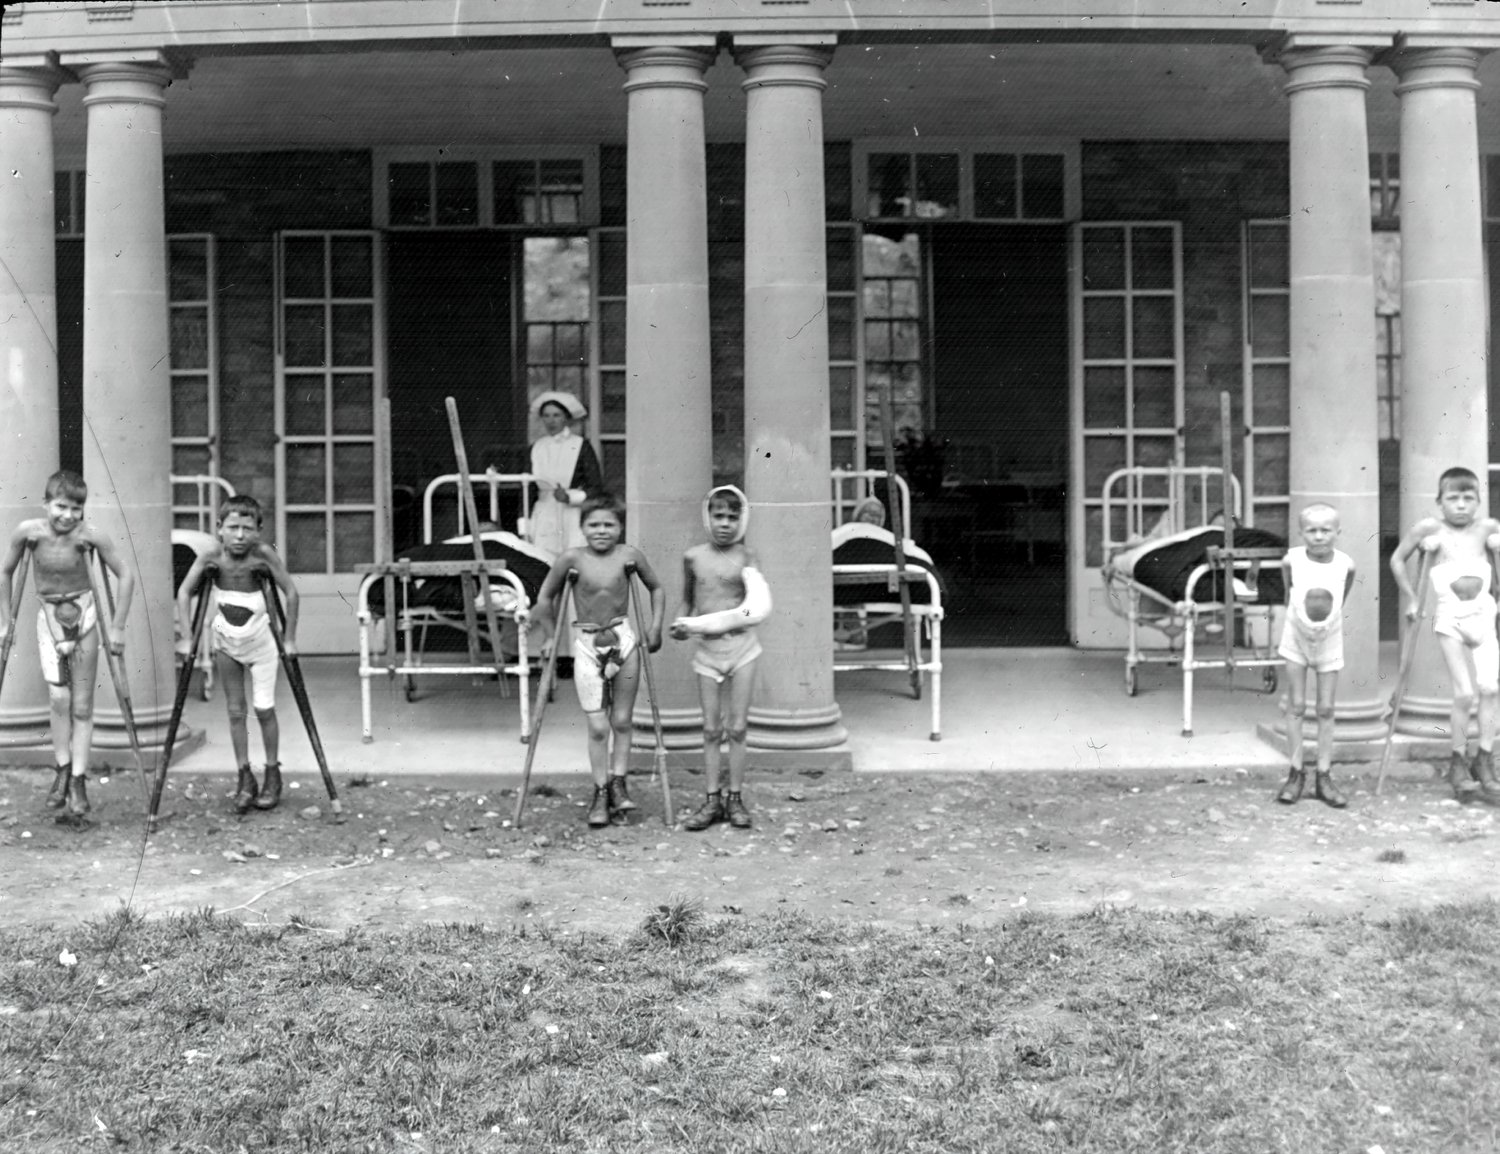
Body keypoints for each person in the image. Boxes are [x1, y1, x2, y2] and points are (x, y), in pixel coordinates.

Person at [0, 470, 135, 819]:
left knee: (83, 705)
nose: (68, 515)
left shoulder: (90, 535)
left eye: (76, 508)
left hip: (84, 615)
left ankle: (78, 779)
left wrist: (118, 626)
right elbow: (5, 571)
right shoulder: (28, 533)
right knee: (59, 698)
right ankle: (62, 767)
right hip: (49, 618)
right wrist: (5, 620)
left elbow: (125, 574)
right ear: (46, 503)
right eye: (61, 506)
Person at [532, 494, 664, 828]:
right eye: (594, 524)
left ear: (620, 527)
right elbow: (544, 598)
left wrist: (654, 627)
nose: (602, 530)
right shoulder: (571, 558)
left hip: (624, 641)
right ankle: (600, 790)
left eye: (609, 524)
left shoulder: (629, 555)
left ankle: (619, 783)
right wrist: (549, 635)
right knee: (597, 725)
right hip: (588, 644)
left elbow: (657, 588)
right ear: (582, 527)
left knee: (622, 720)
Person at [175, 495, 300, 814]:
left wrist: (289, 639)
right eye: (233, 528)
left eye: (247, 528)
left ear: (259, 530)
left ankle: (272, 773)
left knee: (264, 708)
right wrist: (187, 638)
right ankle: (245, 776)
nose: (240, 535)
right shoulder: (212, 556)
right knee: (234, 711)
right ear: (219, 528)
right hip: (227, 642)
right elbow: (184, 592)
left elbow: (291, 592)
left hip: (261, 644)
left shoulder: (263, 555)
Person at [1390, 466, 1500, 804]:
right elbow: (1397, 559)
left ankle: (1484, 758)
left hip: (1483, 618)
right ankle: (1458, 761)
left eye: (1468, 498)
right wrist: (1411, 597)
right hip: (1451, 621)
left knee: (1490, 688)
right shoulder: (1429, 528)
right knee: (1464, 693)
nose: (1461, 505)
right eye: (1453, 498)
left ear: (1479, 500)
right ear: (1439, 502)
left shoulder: (1488, 528)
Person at [671, 485, 772, 832]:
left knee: (738, 727)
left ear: (741, 520)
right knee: (711, 728)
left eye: (732, 517)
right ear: (707, 517)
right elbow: (688, 601)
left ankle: (735, 797)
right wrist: (682, 624)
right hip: (708, 651)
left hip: (742, 647)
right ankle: (712, 798)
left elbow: (757, 604)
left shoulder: (747, 556)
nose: (725, 524)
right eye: (718, 516)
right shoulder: (693, 557)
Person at [1274, 503, 1356, 808]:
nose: (1319, 536)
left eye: (1325, 530)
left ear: (1337, 532)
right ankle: (1296, 772)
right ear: (1300, 532)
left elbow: (1341, 595)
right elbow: (1289, 588)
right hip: (1296, 636)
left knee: (1326, 707)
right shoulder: (1292, 559)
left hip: (1328, 639)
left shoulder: (1345, 564)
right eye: (1311, 530)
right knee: (1296, 705)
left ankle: (1324, 774)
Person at [526, 391, 603, 558]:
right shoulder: (536, 447)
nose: (551, 421)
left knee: (573, 556)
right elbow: (528, 489)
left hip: (572, 513)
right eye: (546, 416)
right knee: (543, 556)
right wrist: (524, 524)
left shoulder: (581, 445)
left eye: (556, 415)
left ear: (566, 418)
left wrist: (570, 497)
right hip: (543, 513)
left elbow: (596, 486)